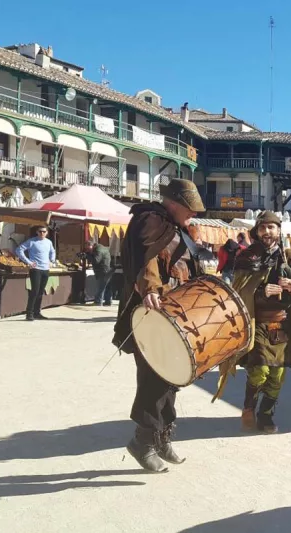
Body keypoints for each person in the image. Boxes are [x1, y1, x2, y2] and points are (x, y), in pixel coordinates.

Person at [112, 178, 205, 473]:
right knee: (153, 379)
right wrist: (150, 288)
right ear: (174, 204)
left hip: (174, 315)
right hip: (151, 315)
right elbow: (146, 259)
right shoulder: (150, 220)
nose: (193, 214)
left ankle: (162, 437)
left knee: (171, 379)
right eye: (190, 208)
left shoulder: (176, 228)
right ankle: (142, 442)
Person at [213, 211, 291, 434]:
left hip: (282, 324)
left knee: (277, 375)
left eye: (271, 227)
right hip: (256, 322)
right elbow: (239, 291)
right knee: (260, 371)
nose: (267, 232)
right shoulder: (247, 257)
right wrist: (261, 291)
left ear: (278, 230)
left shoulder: (289, 256)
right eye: (263, 227)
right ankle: (249, 408)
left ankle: (266, 415)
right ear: (257, 231)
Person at [16, 225, 56, 321]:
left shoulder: (49, 242)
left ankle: (37, 312)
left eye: (44, 231)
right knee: (34, 291)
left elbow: (53, 251)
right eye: (40, 231)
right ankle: (29, 313)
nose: (42, 233)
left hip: (45, 269)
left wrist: (52, 260)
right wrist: (28, 262)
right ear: (37, 232)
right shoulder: (32, 241)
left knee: (41, 292)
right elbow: (19, 250)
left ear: (47, 233)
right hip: (36, 269)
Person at [83, 240, 113, 306]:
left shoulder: (98, 250)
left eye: (88, 248)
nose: (87, 250)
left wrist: (87, 256)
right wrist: (89, 254)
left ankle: (98, 301)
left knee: (101, 287)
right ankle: (108, 301)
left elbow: (96, 260)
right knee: (107, 287)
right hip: (107, 270)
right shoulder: (101, 248)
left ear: (91, 245)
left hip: (103, 271)